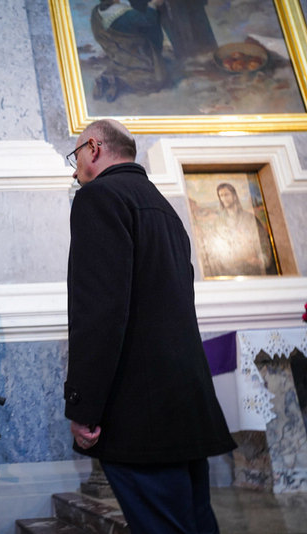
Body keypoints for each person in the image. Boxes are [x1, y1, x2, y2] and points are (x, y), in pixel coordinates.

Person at [65, 119, 236, 533]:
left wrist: (83, 406)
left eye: (75, 157)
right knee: (194, 523)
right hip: (184, 404)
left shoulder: (98, 198)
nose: (74, 170)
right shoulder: (164, 208)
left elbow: (100, 312)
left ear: (93, 148)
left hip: (140, 414)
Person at [91, 0, 168, 102]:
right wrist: (153, 4)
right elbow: (149, 19)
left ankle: (107, 79)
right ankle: (120, 81)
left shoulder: (96, 13)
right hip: (134, 53)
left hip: (117, 54)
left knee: (120, 67)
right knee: (156, 80)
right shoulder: (125, 13)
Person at [198, 182, 277, 277]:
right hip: (229, 272)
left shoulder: (250, 219)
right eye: (221, 196)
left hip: (254, 271)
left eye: (226, 195)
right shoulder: (219, 222)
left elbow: (263, 241)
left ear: (234, 196)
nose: (224, 199)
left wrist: (261, 260)